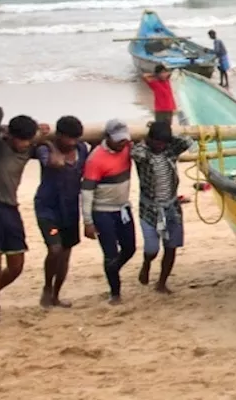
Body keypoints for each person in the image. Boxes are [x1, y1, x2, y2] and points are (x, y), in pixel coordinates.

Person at [0, 107, 41, 322]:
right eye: (21, 140)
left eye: (28, 141)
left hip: (11, 209)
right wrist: (2, 126)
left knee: (16, 267)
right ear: (11, 136)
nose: (25, 144)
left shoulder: (26, 150)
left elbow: (41, 138)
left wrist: (41, 130)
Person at [34, 115, 89, 309]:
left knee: (65, 253)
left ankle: (56, 295)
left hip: (70, 208)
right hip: (48, 207)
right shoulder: (44, 149)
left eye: (76, 139)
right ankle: (47, 287)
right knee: (54, 249)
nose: (72, 143)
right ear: (59, 135)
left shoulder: (82, 149)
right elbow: (55, 163)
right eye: (68, 138)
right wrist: (49, 142)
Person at [133, 121, 192, 294]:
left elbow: (187, 142)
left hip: (172, 206)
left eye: (163, 143)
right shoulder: (143, 154)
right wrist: (148, 136)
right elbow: (137, 153)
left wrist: (167, 133)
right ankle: (146, 264)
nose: (160, 146)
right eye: (157, 142)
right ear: (150, 140)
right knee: (152, 248)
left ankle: (162, 283)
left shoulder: (170, 151)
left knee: (171, 247)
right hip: (149, 208)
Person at [81, 119, 136, 304]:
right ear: (107, 138)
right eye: (118, 140)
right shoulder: (95, 159)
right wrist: (88, 222)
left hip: (122, 208)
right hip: (102, 211)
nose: (122, 143)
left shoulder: (128, 148)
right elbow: (87, 193)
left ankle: (112, 270)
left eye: (124, 139)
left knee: (130, 248)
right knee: (110, 254)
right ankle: (115, 293)